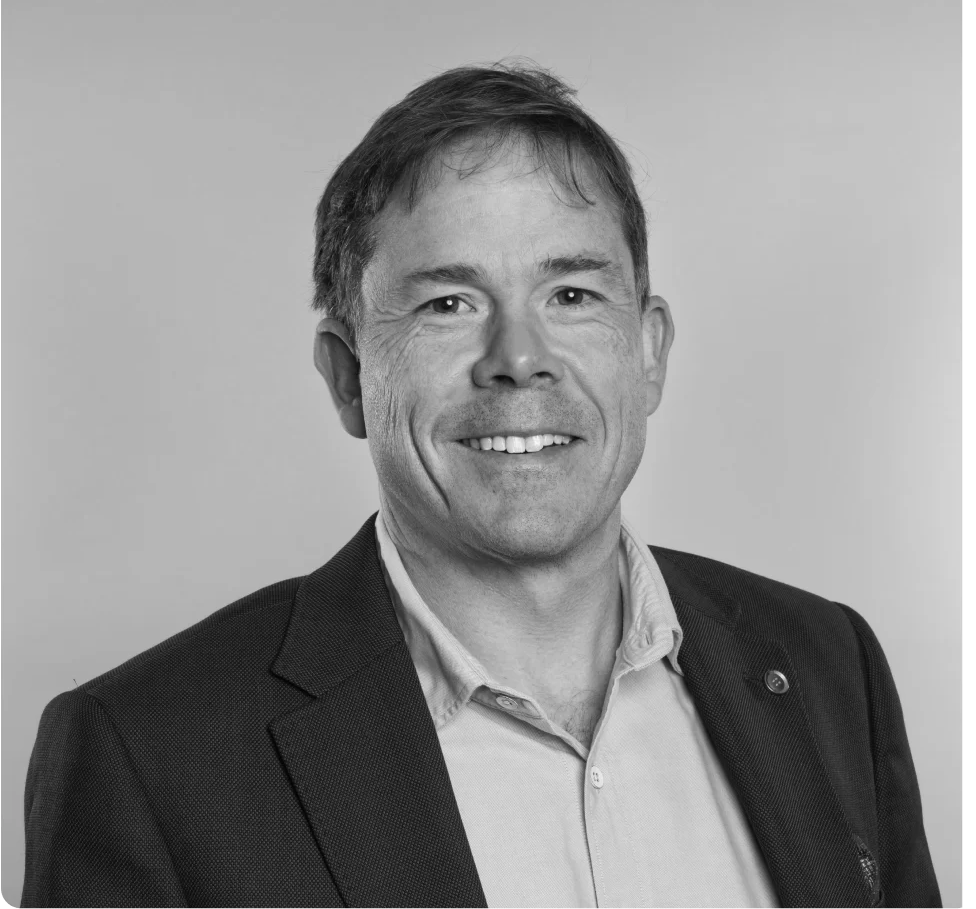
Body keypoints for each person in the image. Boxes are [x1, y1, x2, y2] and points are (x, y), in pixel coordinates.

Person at [21, 63, 940, 909]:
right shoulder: (147, 755)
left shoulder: (828, 666)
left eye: (572, 295)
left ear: (649, 351)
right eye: (447, 304)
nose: (518, 360)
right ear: (349, 377)